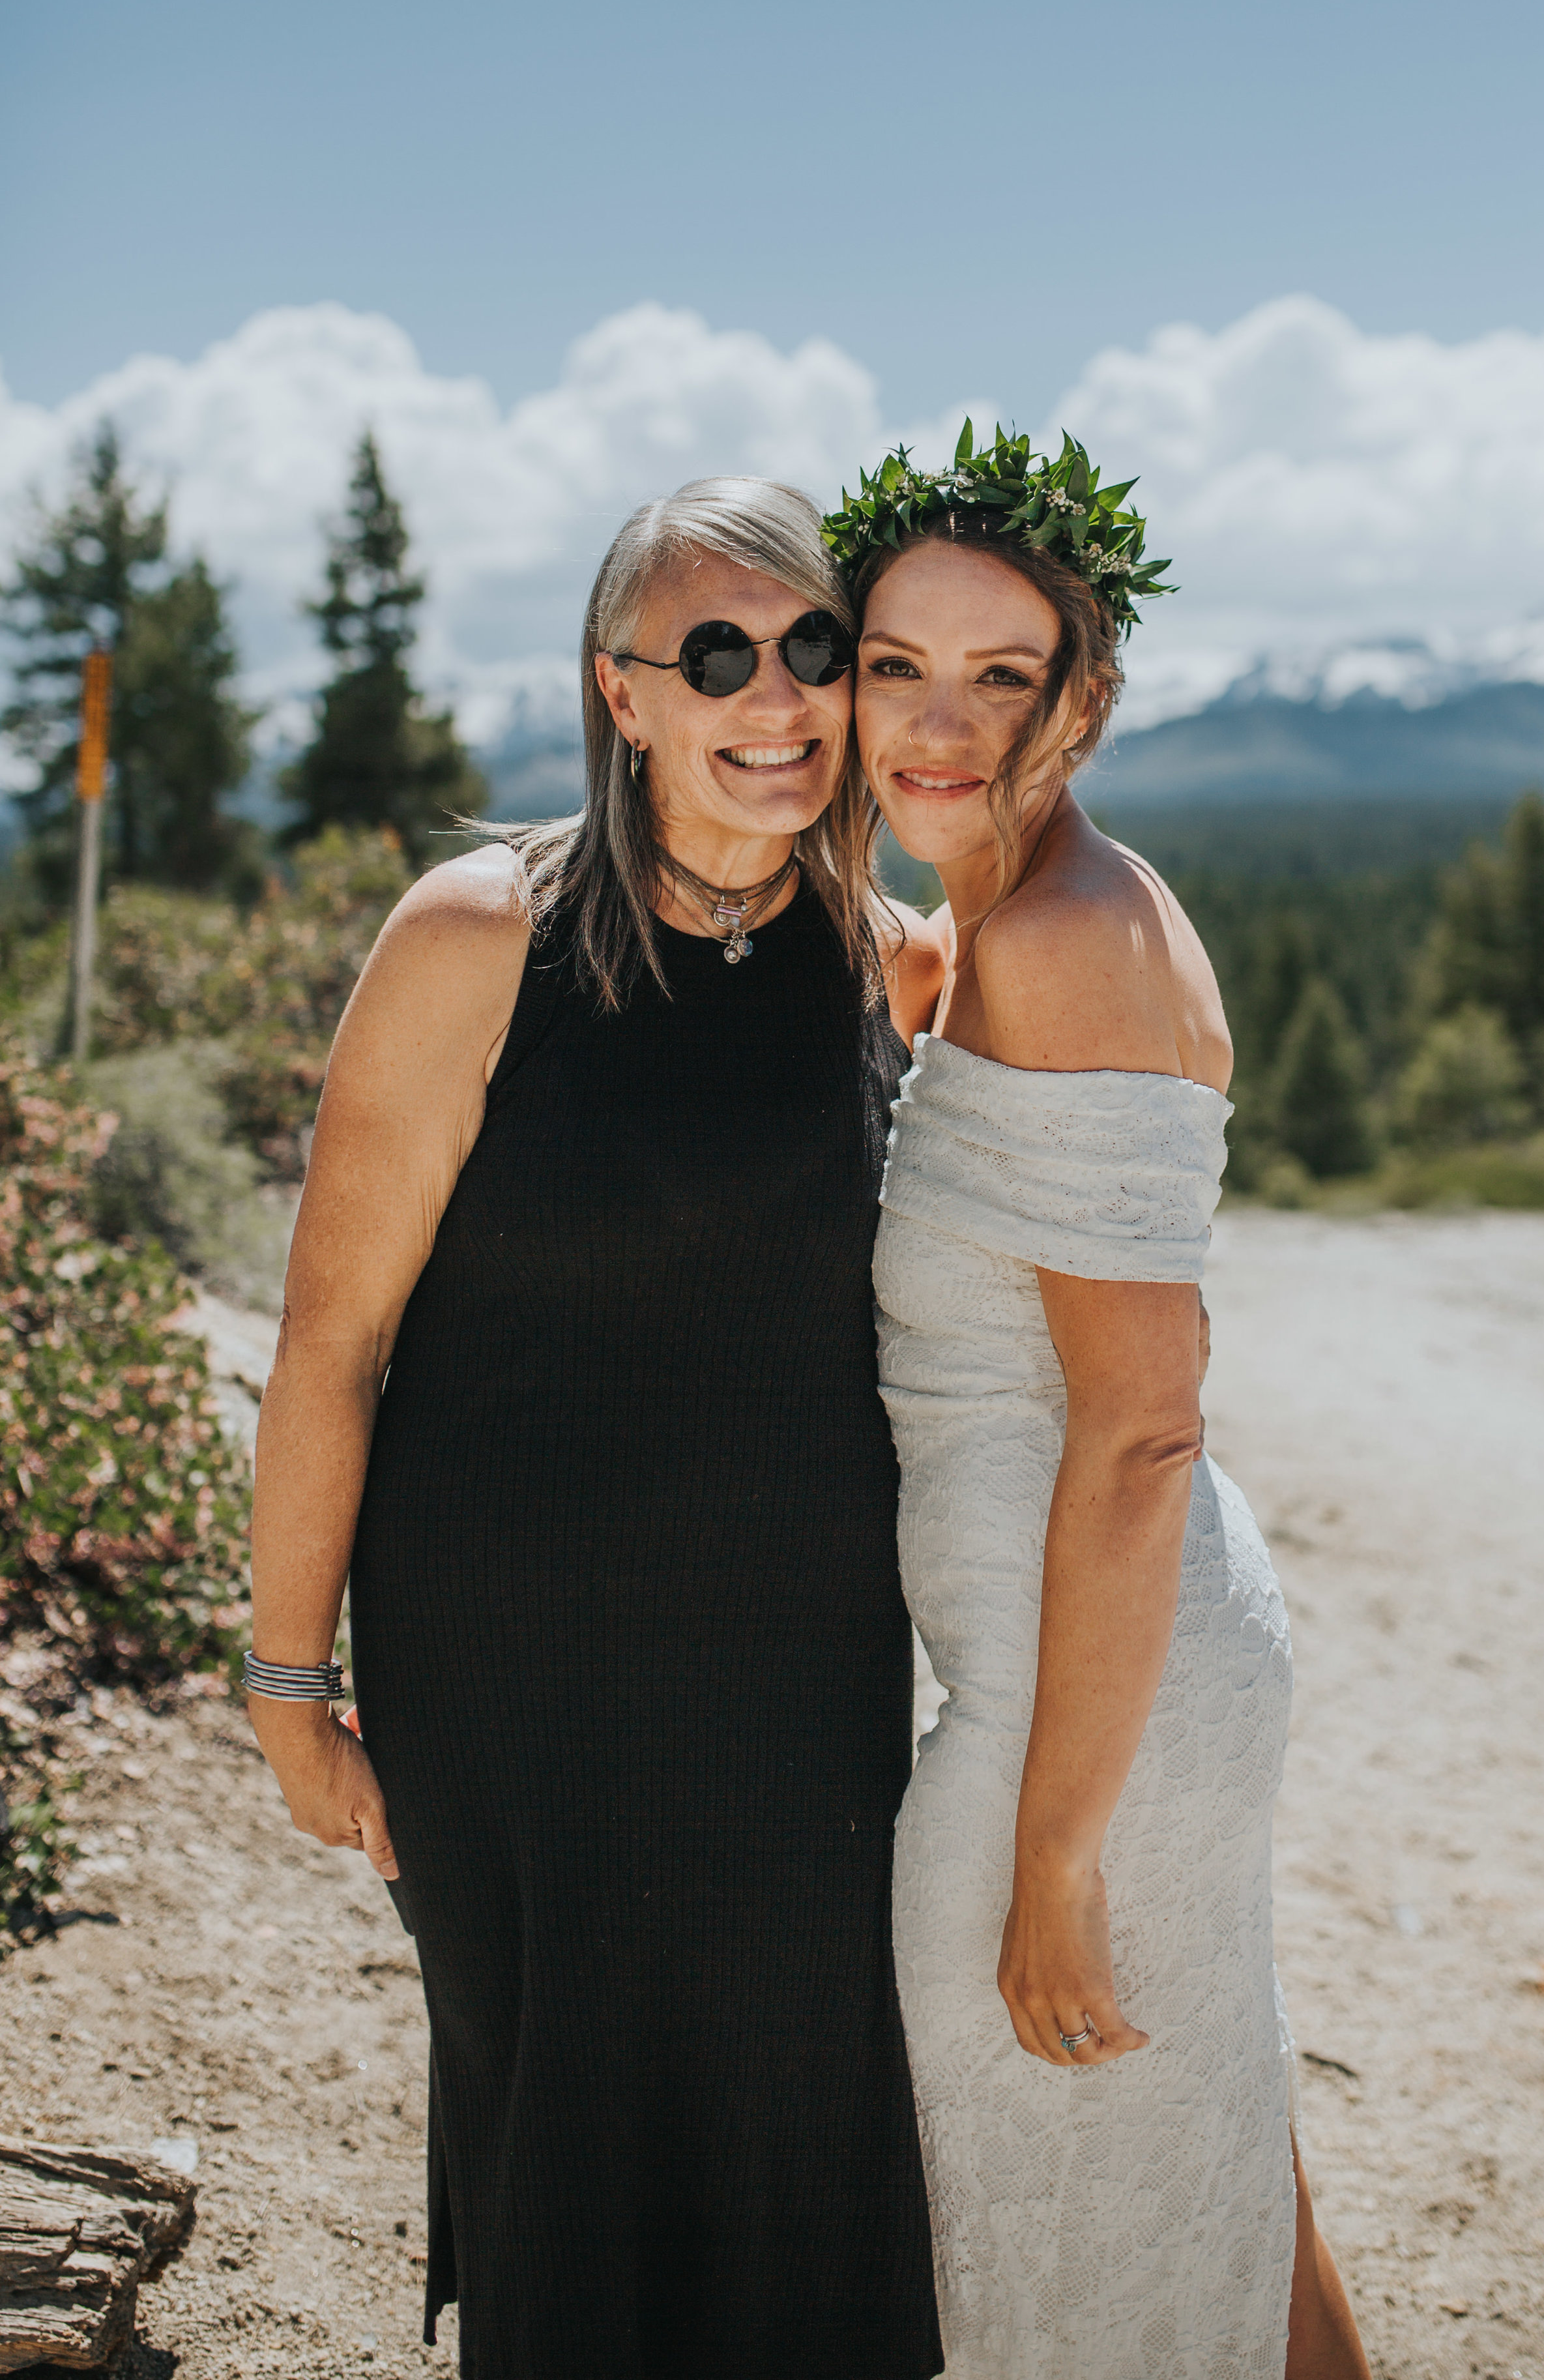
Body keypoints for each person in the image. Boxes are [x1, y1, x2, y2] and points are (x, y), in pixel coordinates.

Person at [244, 477, 946, 2379]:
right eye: (714, 652)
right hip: (513, 1685)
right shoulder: (481, 935)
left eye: (813, 645)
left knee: (809, 2169)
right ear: (620, 693)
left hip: (804, 1691)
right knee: (567, 2165)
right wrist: (286, 1682)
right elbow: (333, 1339)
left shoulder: (895, 967)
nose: (776, 694)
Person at [830, 432, 1371, 2377]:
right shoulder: (1031, 919)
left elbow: (1142, 1427)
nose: (937, 722)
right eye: (897, 665)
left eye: (1000, 676)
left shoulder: (1057, 941)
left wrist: (1056, 1853)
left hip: (1084, 1712)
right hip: (1114, 1666)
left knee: (1056, 2244)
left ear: (1087, 693)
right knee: (1214, 2186)